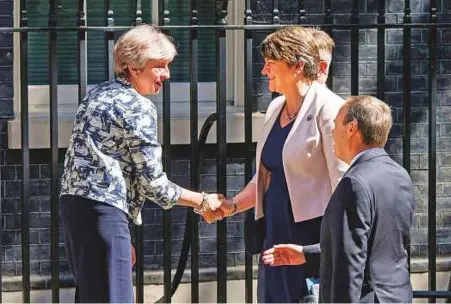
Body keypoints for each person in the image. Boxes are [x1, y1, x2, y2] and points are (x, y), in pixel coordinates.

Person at [59, 25, 224, 303]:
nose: (166, 75)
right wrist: (203, 200)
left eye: (167, 66)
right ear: (134, 68)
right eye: (159, 66)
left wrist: (119, 234)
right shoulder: (138, 107)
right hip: (104, 213)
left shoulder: (97, 93)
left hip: (77, 209)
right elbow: (153, 184)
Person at [218, 26, 348, 303]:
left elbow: (344, 182)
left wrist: (332, 244)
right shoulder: (276, 108)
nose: (264, 71)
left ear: (298, 66)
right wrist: (232, 205)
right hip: (274, 230)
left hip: (309, 235)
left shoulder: (330, 109)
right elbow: (265, 176)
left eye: (271, 63)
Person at [262, 95, 416, 303]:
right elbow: (378, 248)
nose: (333, 133)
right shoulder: (400, 175)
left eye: (335, 126)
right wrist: (306, 255)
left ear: (352, 128)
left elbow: (350, 264)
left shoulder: (354, 182)